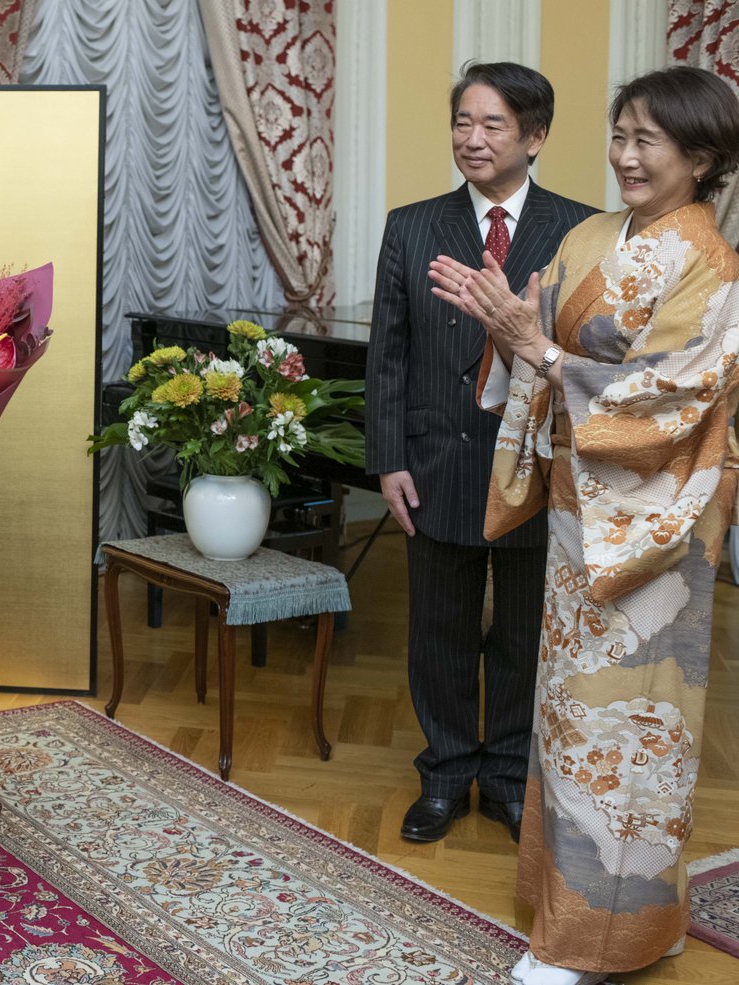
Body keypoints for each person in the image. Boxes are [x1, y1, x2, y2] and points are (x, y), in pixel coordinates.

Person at [429, 65, 739, 985]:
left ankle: (595, 942)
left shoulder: (713, 267)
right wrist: (511, 332)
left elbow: (675, 396)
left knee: (630, 730)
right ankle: (599, 919)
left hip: (654, 527)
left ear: (703, 156)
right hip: (580, 509)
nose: (627, 156)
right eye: (621, 135)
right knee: (567, 715)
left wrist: (541, 351)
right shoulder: (596, 235)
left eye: (649, 141)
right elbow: (530, 350)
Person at [365, 62, 596, 843]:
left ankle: (505, 775)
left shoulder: (582, 228)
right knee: (439, 627)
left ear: (536, 137)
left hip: (535, 462)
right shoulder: (412, 224)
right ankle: (446, 772)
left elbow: (590, 350)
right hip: (435, 459)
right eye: (463, 121)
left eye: (493, 124)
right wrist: (388, 457)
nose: (473, 138)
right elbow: (387, 354)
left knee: (524, 628)